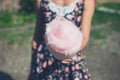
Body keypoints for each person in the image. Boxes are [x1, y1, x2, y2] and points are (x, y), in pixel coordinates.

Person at [28, 0, 95, 80]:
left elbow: (85, 37)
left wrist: (68, 53)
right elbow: (38, 34)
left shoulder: (87, 1)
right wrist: (33, 68)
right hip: (45, 57)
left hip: (71, 57)